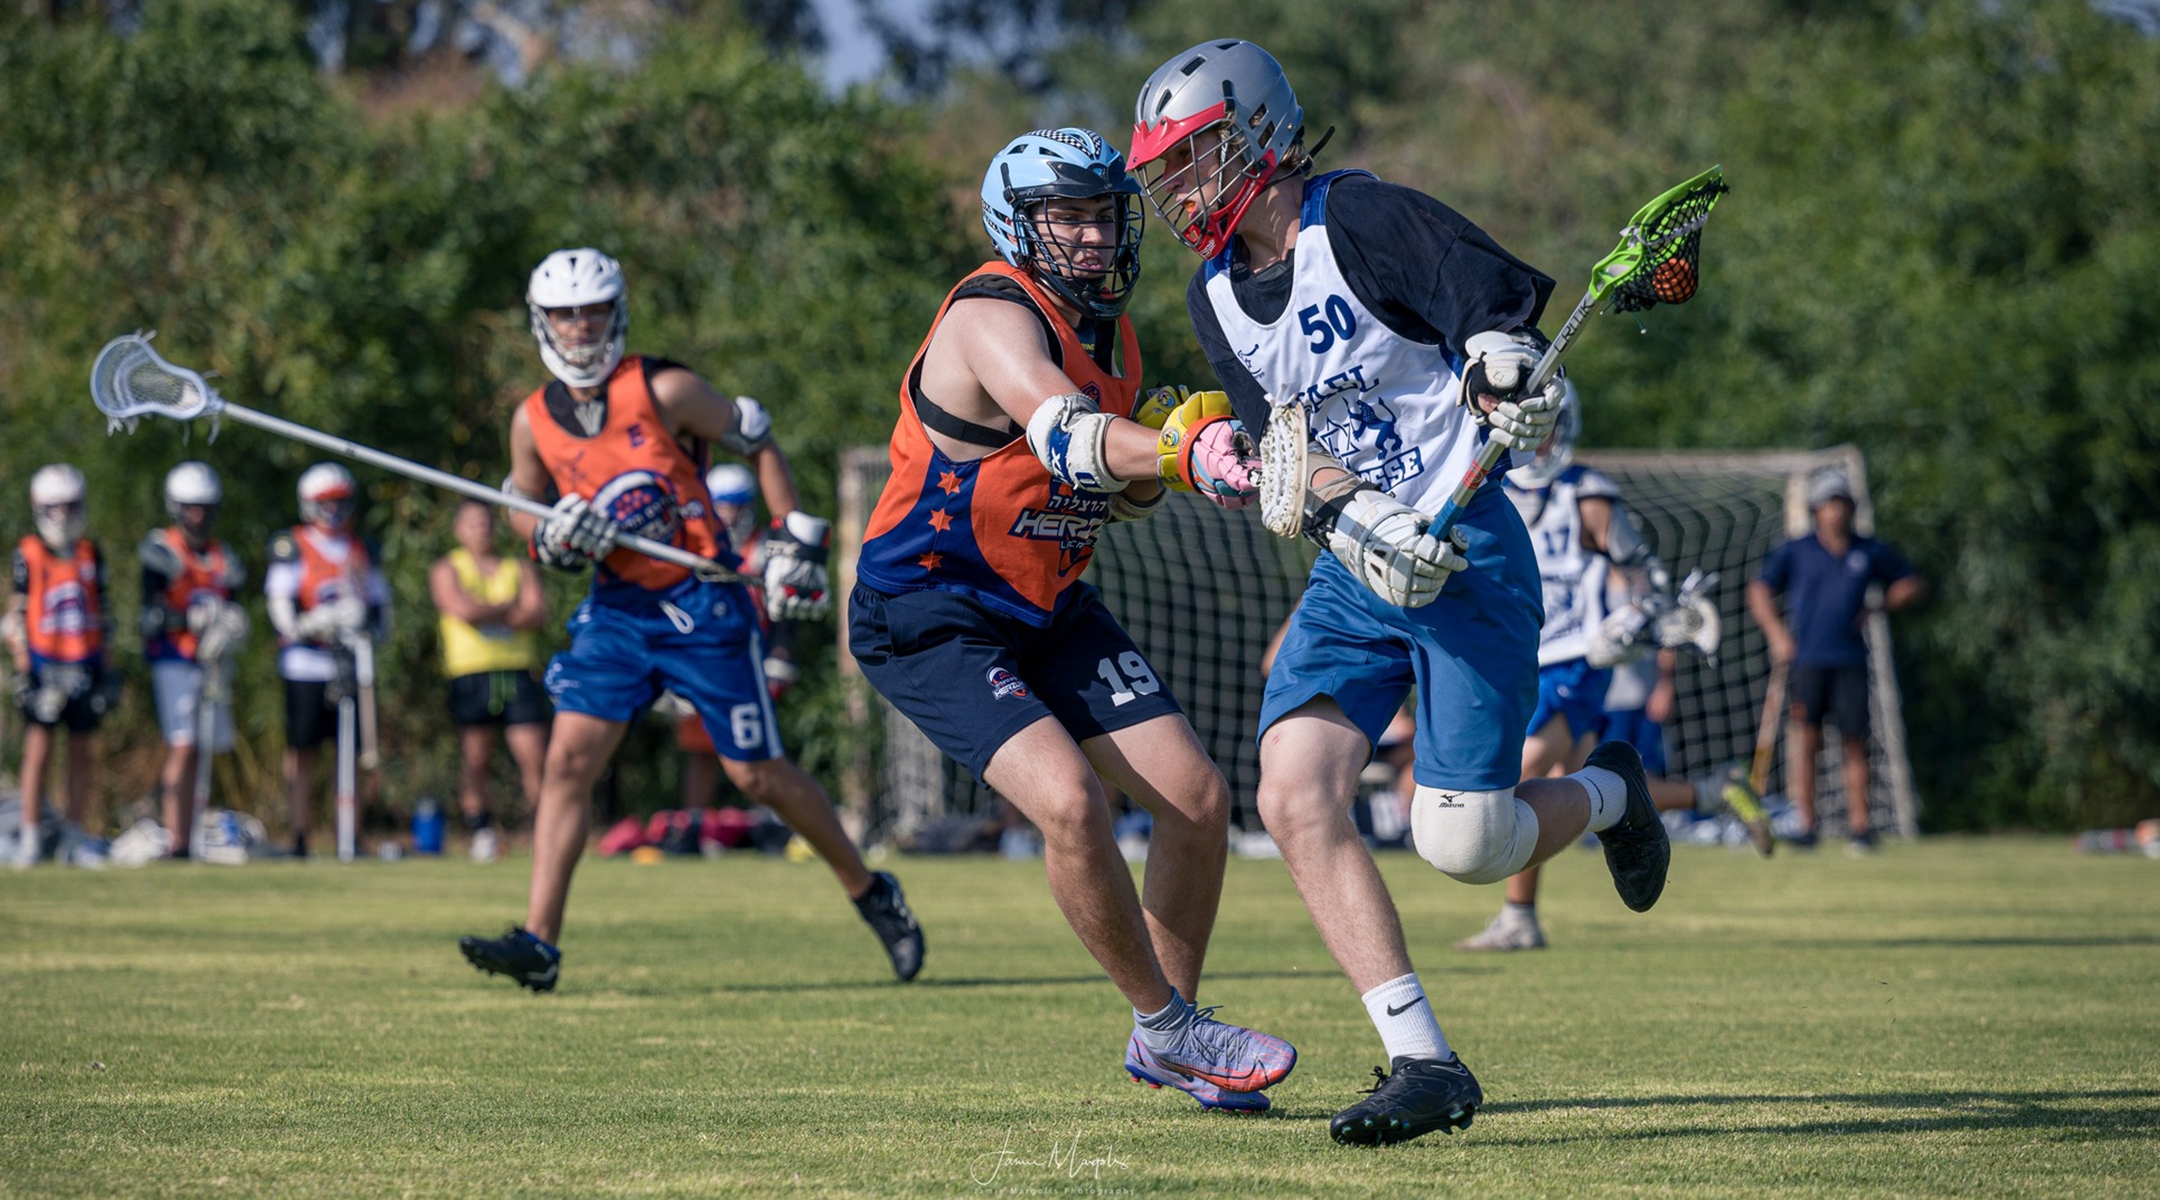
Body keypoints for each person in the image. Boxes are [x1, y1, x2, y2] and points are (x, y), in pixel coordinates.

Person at [1128, 40, 1669, 1144]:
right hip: (1357, 564)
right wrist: (1349, 513)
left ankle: (1613, 791)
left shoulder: (1362, 220)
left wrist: (1499, 373)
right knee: (1292, 790)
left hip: (1469, 547)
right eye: (1166, 173)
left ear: (1258, 138)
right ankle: (1423, 1061)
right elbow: (1288, 449)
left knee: (1464, 844)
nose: (1178, 192)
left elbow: (1490, 313)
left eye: (1194, 161)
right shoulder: (1214, 298)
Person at [848, 128, 1295, 1112]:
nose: (1094, 238)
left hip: (1047, 606)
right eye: (1070, 217)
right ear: (1020, 222)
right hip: (930, 609)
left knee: (1198, 800)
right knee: (1069, 803)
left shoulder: (1118, 340)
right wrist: (1189, 456)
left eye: (1104, 215)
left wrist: (1160, 467)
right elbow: (1061, 427)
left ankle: (1169, 1032)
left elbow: (1093, 483)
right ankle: (1174, 1030)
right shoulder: (988, 314)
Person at [457, 247, 923, 991]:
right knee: (568, 763)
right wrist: (548, 534)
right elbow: (524, 507)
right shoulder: (533, 420)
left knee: (755, 773)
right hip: (616, 608)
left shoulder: (664, 388)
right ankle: (540, 943)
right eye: (564, 315)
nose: (579, 328)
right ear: (540, 322)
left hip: (703, 601)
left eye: (592, 311)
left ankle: (870, 890)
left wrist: (792, 536)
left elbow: (756, 435)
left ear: (616, 314)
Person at [1456, 412, 1768, 952]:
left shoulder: (1586, 492)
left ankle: (1518, 917)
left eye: (1546, 423)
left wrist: (1641, 614)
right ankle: (1714, 791)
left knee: (1512, 774)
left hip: (1578, 659)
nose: (1537, 436)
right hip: (1523, 657)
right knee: (1569, 786)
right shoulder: (1489, 487)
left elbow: (1644, 570)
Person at [1747, 467, 1922, 854]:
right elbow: (1759, 589)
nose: (1836, 510)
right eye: (1829, 502)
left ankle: (1860, 828)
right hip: (1807, 660)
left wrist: (1878, 607)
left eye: (1841, 502)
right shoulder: (1797, 550)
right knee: (1805, 740)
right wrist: (1777, 636)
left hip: (1850, 660)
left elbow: (1910, 581)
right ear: (1816, 509)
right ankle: (1806, 825)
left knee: (1854, 742)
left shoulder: (1867, 550)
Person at [264, 462, 392, 859]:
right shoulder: (294, 545)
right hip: (306, 663)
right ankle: (300, 833)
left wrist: (364, 623)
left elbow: (380, 606)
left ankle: (348, 834)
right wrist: (312, 624)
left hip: (349, 662)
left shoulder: (360, 548)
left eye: (340, 502)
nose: (333, 511)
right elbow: (281, 608)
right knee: (302, 750)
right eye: (325, 503)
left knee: (348, 751)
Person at [670, 463, 803, 838]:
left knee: (761, 750)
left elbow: (784, 608)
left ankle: (766, 824)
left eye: (734, 506)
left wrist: (781, 653)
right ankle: (693, 825)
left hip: (752, 661)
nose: (728, 515)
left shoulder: (765, 548)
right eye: (721, 506)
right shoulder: (692, 548)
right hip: (704, 660)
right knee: (701, 749)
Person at [428, 498, 549, 863]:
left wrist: (485, 612)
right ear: (459, 529)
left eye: (486, 522)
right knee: (476, 757)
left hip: (516, 670)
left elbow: (537, 613)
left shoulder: (518, 567)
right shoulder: (447, 567)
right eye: (473, 523)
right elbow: (460, 609)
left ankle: (544, 830)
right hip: (471, 672)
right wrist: (508, 608)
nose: (481, 529)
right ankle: (481, 830)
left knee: (533, 757)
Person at [6, 465, 114, 869]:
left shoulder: (90, 552)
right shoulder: (29, 553)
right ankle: (32, 836)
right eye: (57, 508)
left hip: (83, 663)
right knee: (39, 751)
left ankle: (73, 836)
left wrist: (106, 668)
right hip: (43, 665)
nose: (64, 516)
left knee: (82, 752)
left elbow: (103, 614)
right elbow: (16, 615)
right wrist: (24, 674)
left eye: (71, 507)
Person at [139, 462, 249, 859]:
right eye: (190, 507)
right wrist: (191, 620)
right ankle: (174, 835)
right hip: (175, 660)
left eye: (204, 507)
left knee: (202, 746)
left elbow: (235, 607)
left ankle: (187, 838)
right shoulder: (162, 550)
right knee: (182, 745)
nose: (197, 516)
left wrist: (229, 628)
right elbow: (150, 617)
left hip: (212, 662)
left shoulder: (223, 557)